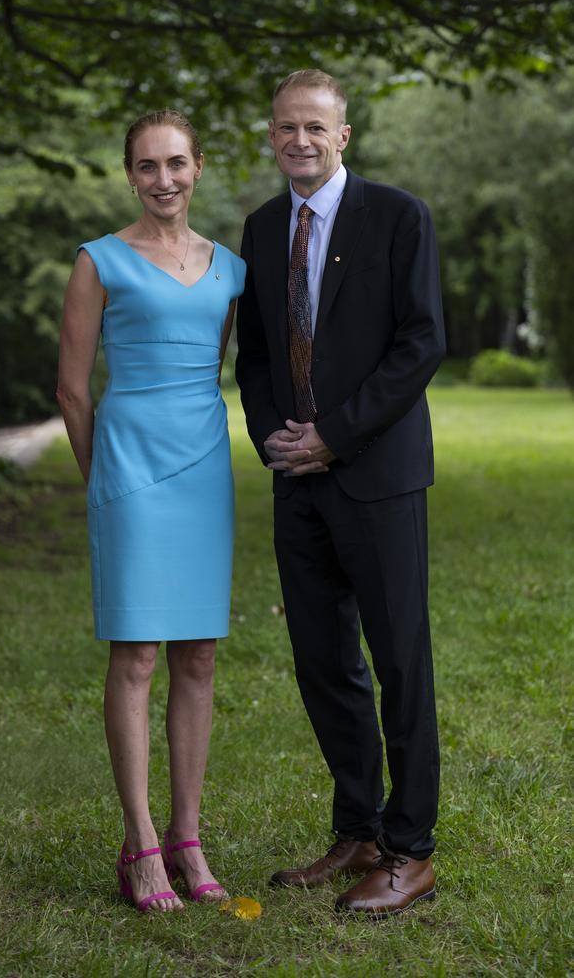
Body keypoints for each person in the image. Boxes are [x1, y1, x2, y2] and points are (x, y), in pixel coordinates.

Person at [235, 70, 445, 917]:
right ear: (272, 135)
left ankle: (412, 851)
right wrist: (276, 439)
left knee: (399, 662)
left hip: (378, 476)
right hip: (299, 482)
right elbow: (253, 354)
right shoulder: (258, 228)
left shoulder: (398, 217)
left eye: (316, 128)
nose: (300, 141)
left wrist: (336, 433)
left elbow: (422, 341)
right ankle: (357, 830)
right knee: (324, 663)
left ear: (344, 135)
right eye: (286, 127)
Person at [57, 110, 245, 914]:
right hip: (128, 470)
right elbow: (71, 389)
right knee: (136, 657)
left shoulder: (231, 268)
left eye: (175, 163)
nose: (162, 179)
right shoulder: (98, 262)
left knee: (197, 655)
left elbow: (219, 364)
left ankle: (188, 836)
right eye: (146, 166)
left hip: (203, 467)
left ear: (198, 167)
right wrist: (105, 480)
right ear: (129, 174)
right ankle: (140, 845)